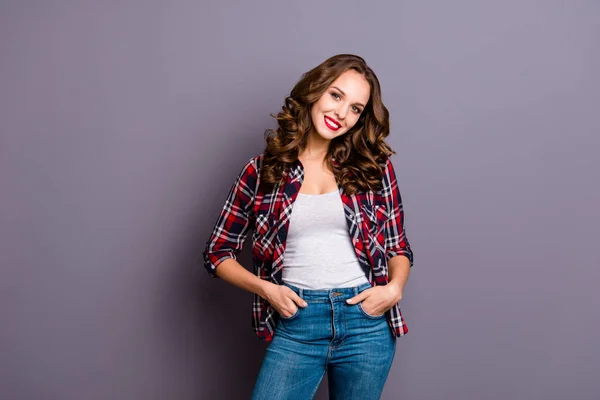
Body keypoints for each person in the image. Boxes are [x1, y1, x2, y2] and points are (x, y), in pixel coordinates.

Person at [202, 54, 414, 400]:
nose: (342, 114)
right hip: (299, 322)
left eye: (356, 108)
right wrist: (266, 289)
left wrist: (394, 290)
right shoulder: (261, 172)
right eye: (336, 95)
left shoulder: (373, 169)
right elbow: (217, 254)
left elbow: (398, 246)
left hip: (366, 322)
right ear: (314, 92)